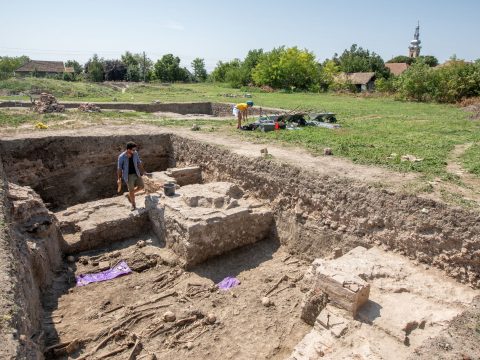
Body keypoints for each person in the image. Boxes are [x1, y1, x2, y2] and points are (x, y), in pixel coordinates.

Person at [117, 141, 146, 210]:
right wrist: (119, 178)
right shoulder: (121, 157)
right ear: (128, 149)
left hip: (136, 173)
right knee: (131, 189)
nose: (135, 151)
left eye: (135, 149)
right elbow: (119, 168)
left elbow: (139, 162)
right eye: (133, 150)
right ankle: (133, 205)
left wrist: (143, 171)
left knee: (141, 186)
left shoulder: (135, 153)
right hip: (128, 176)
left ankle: (129, 194)